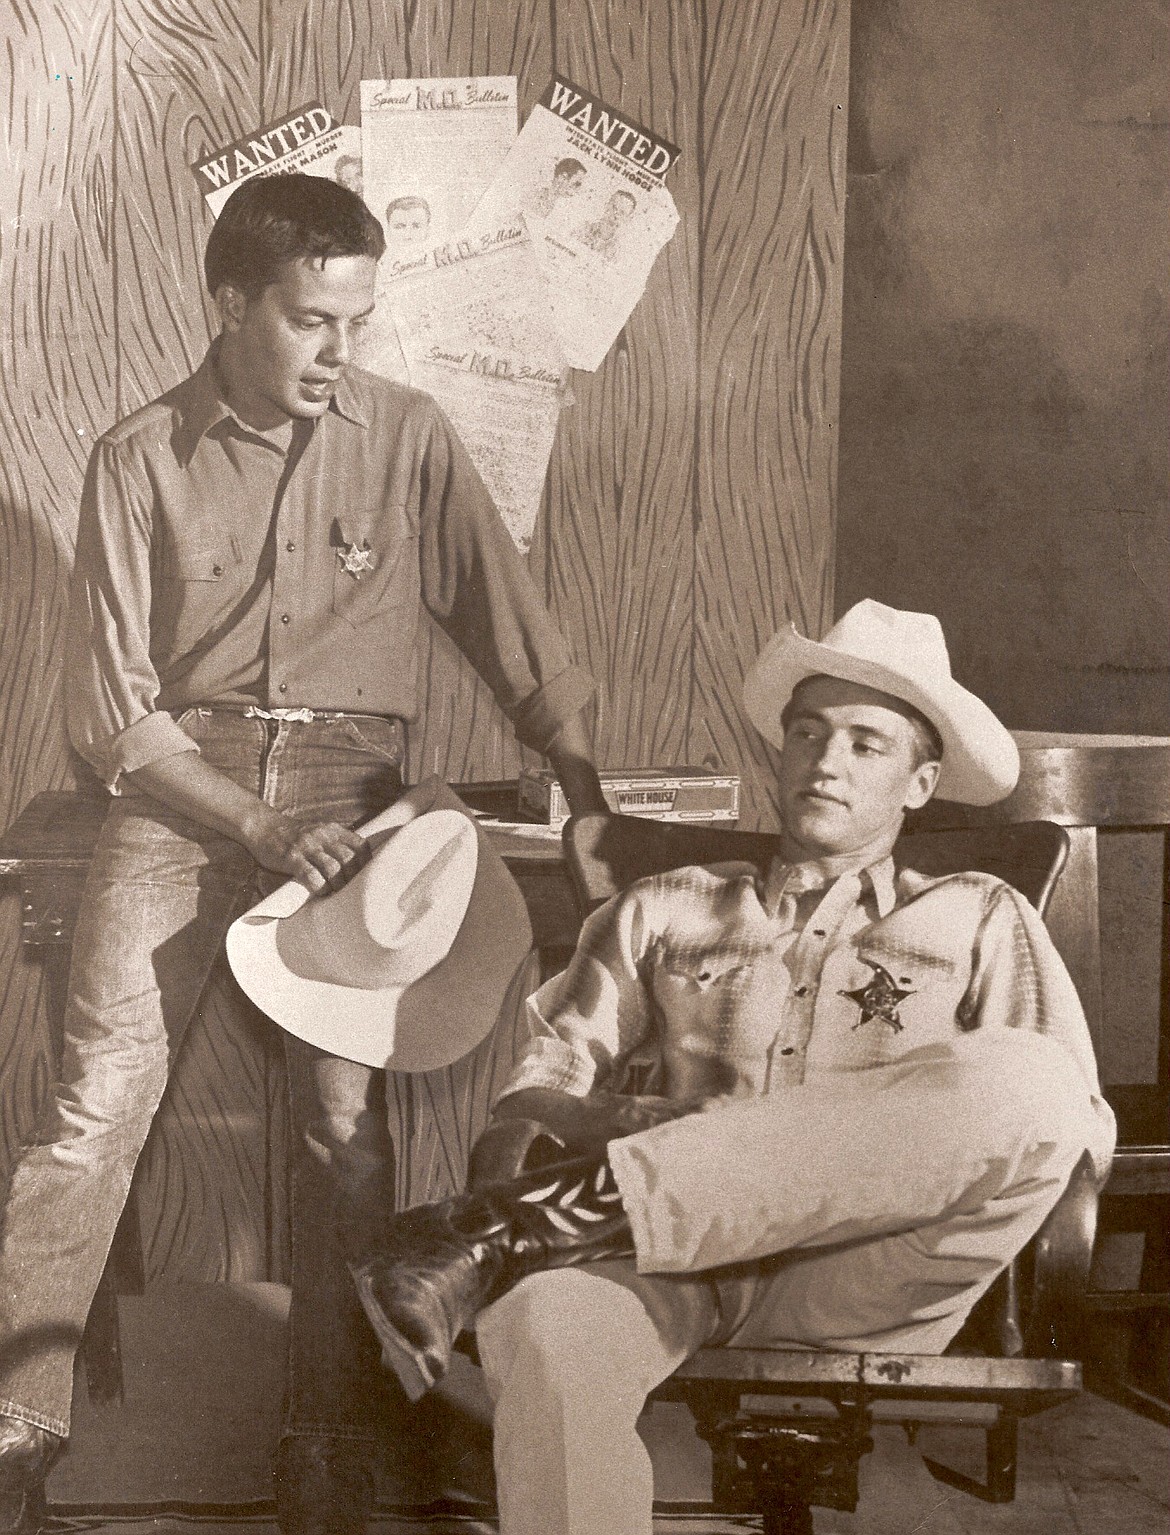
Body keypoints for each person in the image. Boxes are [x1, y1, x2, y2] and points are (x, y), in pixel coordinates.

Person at [0, 171, 605, 1534]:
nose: (343, 351)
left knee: (340, 1129)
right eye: (312, 320)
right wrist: (256, 821)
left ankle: (330, 1441)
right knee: (94, 1111)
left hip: (358, 788)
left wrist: (587, 789)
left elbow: (515, 634)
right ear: (229, 305)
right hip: (182, 787)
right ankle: (12, 1437)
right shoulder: (134, 454)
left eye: (359, 320)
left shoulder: (410, 434)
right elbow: (110, 713)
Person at [350, 599, 1116, 1535]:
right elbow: (541, 1086)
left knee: (1037, 1083)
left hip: (869, 1269)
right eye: (808, 732)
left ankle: (501, 1227)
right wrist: (611, 1126)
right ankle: (539, 1224)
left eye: (866, 744)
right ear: (781, 751)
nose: (826, 760)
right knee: (546, 1327)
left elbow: (1071, 1135)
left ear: (922, 782)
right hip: (669, 1268)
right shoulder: (664, 905)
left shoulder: (980, 914)